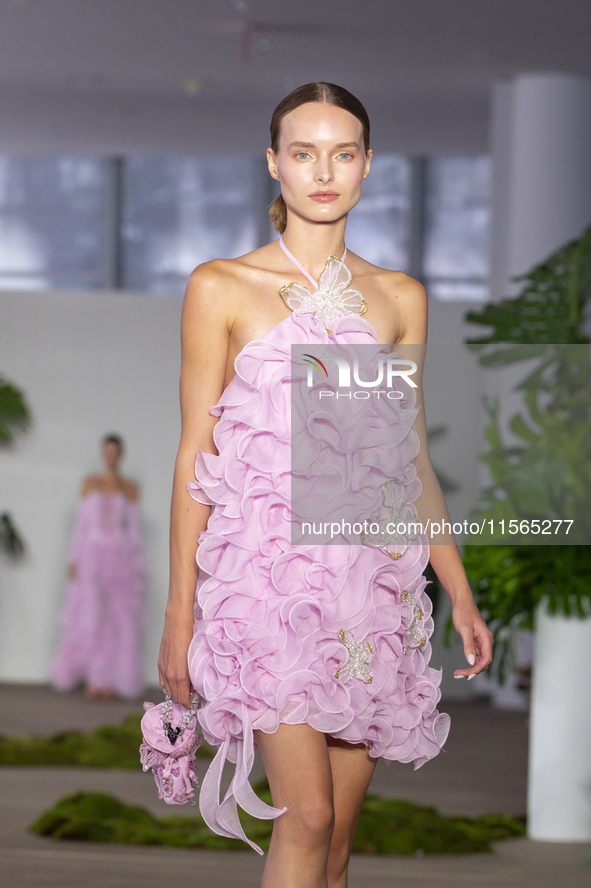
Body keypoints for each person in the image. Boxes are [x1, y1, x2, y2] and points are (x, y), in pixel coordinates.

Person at [158, 82, 493, 887]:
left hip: (364, 591)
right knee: (303, 817)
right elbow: (192, 454)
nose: (322, 171)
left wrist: (459, 590)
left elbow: (407, 460)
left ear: (367, 166)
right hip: (263, 589)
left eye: (342, 153)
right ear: (274, 163)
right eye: (303, 152)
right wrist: (180, 611)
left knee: (337, 837)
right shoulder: (221, 286)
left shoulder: (398, 298)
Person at [50, 434, 146, 701]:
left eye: (115, 452)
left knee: (118, 620)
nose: (110, 457)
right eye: (107, 452)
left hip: (119, 557)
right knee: (91, 615)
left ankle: (110, 681)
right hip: (91, 556)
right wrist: (74, 558)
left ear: (120, 455)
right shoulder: (89, 484)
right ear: (103, 454)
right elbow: (82, 526)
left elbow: (133, 532)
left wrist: (138, 564)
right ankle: (94, 677)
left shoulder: (130, 489)